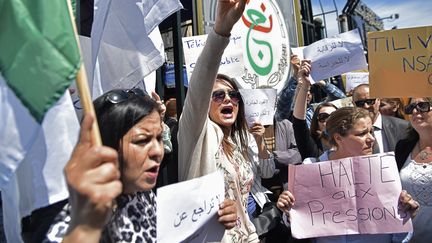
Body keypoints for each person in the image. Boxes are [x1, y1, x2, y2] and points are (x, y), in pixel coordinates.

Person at [46, 89, 237, 242]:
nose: (158, 151)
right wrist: (86, 229)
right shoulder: (70, 224)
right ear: (106, 145)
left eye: (159, 138)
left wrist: (213, 217)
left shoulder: (143, 196)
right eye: (141, 141)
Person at [178, 0, 272, 241]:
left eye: (233, 95)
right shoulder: (199, 135)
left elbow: (241, 209)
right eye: (218, 95)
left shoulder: (237, 143)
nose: (227, 99)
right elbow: (201, 83)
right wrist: (222, 31)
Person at [396, 97, 432, 242]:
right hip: (410, 236)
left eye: (422, 106)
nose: (416, 111)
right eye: (411, 108)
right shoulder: (403, 146)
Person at [276, 55, 345, 127]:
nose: (308, 94)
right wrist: (296, 76)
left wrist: (319, 81)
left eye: (309, 91)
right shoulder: (289, 114)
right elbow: (284, 103)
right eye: (303, 90)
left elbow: (341, 99)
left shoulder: (316, 109)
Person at [352, 84, 409, 153]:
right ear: (354, 104)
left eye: (370, 101)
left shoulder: (403, 127)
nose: (366, 106)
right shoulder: (348, 132)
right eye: (360, 103)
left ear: (378, 100)